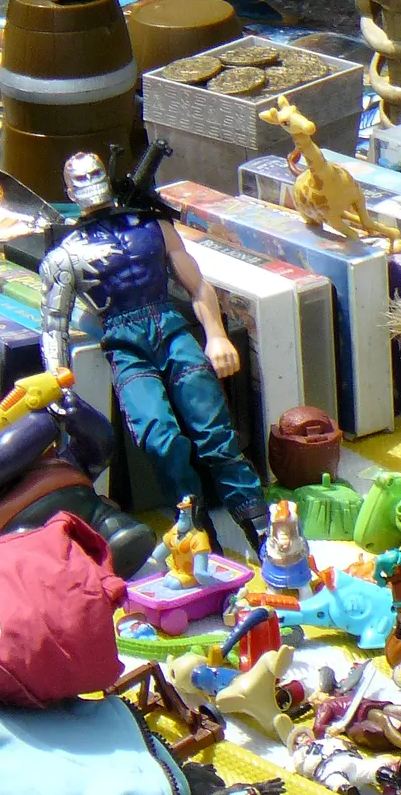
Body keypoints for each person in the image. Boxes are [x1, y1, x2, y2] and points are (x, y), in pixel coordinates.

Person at [39, 151, 267, 557]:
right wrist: (57, 382)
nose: (90, 181)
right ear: (68, 190)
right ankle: (195, 531)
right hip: (125, 345)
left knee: (216, 437)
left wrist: (216, 334)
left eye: (95, 172)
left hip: (171, 328)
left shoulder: (154, 227)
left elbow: (197, 286)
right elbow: (53, 325)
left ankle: (264, 532)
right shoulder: (64, 255)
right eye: (80, 177)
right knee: (161, 438)